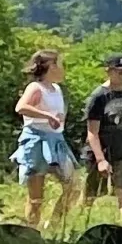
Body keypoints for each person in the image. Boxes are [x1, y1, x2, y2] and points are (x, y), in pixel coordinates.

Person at [10, 49, 79, 231]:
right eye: (60, 64)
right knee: (36, 198)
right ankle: (30, 232)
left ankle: (53, 225)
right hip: (37, 141)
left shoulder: (56, 89)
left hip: (56, 140)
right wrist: (47, 115)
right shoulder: (36, 87)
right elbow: (21, 107)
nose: (63, 69)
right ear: (51, 66)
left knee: (73, 185)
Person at [83, 53, 122, 221]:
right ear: (109, 71)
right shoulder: (98, 97)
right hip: (100, 152)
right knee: (90, 196)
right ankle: (81, 224)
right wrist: (100, 160)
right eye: (120, 72)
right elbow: (92, 132)